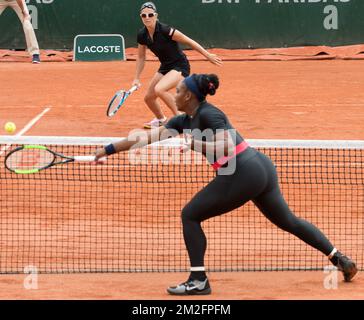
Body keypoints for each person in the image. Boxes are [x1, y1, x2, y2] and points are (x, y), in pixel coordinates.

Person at [95, 73, 358, 296]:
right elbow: (145, 139)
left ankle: (198, 281)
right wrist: (106, 150)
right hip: (260, 168)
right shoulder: (181, 121)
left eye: (177, 91)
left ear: (188, 97)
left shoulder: (211, 114)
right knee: (289, 220)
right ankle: (339, 259)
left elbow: (226, 144)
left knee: (190, 214)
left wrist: (198, 144)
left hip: (243, 171)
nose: (173, 95)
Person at [132, 2, 222, 129]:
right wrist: (136, 78)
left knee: (160, 89)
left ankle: (182, 121)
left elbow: (189, 41)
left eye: (150, 15)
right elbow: (141, 57)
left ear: (156, 16)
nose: (147, 17)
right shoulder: (142, 35)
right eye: (144, 15)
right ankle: (161, 120)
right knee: (149, 98)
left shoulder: (166, 30)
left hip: (180, 65)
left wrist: (207, 55)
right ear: (141, 16)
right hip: (165, 66)